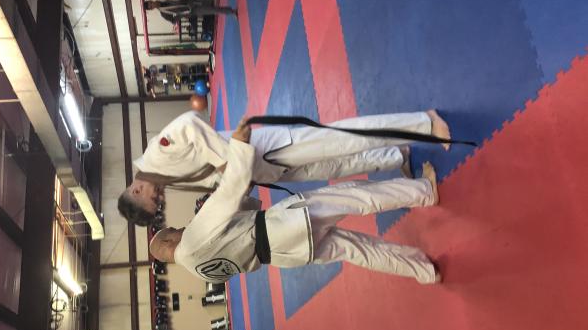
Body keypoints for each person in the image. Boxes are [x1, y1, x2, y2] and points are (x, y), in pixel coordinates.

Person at [148, 118, 442, 284]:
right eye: (174, 230)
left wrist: (243, 196)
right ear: (168, 241)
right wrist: (238, 148)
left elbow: (235, 230)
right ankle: (424, 191)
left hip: (284, 254)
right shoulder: (191, 240)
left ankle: (425, 271)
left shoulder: (202, 273)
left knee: (359, 250)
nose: (181, 228)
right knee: (355, 197)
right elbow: (228, 192)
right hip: (283, 225)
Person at [118, 109, 450, 225]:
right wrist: (232, 186)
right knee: (338, 166)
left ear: (136, 189)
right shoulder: (163, 176)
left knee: (344, 139)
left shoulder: (156, 154)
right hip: (263, 170)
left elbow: (190, 122)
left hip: (267, 148)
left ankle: (424, 123)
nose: (160, 198)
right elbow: (214, 175)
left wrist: (226, 162)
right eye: (159, 203)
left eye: (153, 199)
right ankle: (397, 156)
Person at [144, 0, 237, 24]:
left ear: (151, 0)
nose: (153, 5)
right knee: (213, 10)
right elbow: (173, 21)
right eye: (151, 7)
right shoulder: (164, 13)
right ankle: (232, 12)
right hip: (191, 10)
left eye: (151, 3)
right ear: (152, 9)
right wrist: (182, 15)